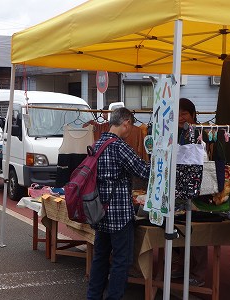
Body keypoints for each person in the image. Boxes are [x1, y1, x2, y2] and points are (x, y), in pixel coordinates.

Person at [87, 107, 150, 300]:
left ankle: (93, 296)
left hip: (99, 211)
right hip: (119, 214)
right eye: (130, 126)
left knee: (100, 257)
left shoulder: (98, 144)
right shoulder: (119, 147)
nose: (130, 130)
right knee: (121, 260)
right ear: (126, 123)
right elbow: (144, 171)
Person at [172, 97, 208, 287]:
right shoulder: (175, 133)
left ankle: (199, 274)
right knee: (180, 229)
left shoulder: (200, 133)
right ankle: (181, 267)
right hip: (179, 189)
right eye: (177, 113)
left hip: (198, 189)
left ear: (193, 115)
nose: (180, 117)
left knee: (197, 233)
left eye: (184, 113)